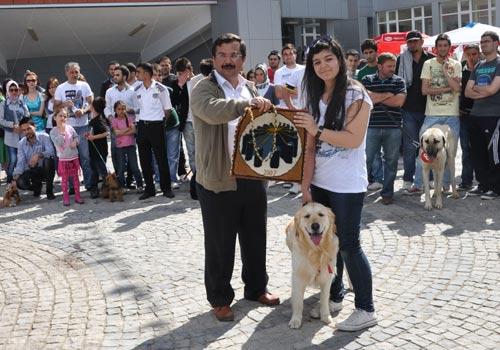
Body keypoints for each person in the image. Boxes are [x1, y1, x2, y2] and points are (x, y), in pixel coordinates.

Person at [191, 33, 280, 322]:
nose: (228, 60)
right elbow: (213, 113)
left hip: (252, 176)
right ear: (214, 59)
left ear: (242, 59)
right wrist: (246, 106)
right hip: (219, 178)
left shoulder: (250, 86)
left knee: (256, 237)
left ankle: (256, 288)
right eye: (222, 55)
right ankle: (219, 298)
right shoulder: (202, 88)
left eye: (234, 55)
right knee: (220, 243)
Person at [294, 35, 377, 331]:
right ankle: (336, 295)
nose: (323, 66)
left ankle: (366, 309)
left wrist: (317, 129)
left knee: (349, 247)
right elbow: (309, 146)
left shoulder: (357, 95)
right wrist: (305, 184)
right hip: (321, 183)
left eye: (329, 59)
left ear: (341, 60)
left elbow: (353, 140)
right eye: (316, 61)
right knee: (328, 245)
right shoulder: (315, 96)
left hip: (347, 185)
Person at [409, 33, 461, 194]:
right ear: (436, 48)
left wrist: (446, 72)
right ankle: (418, 184)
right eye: (440, 46)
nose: (443, 48)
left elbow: (458, 88)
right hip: (432, 114)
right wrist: (447, 88)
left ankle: (445, 184)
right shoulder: (429, 64)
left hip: (452, 114)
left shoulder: (456, 64)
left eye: (445, 45)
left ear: (449, 47)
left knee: (449, 152)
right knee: (422, 148)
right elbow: (425, 90)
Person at [362, 53, 406, 205]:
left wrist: (377, 97)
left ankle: (387, 193)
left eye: (393, 66)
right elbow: (366, 98)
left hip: (393, 128)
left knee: (391, 162)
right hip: (371, 127)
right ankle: (359, 190)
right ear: (379, 66)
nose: (392, 69)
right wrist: (388, 94)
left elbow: (399, 102)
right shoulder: (367, 79)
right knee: (365, 160)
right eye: (389, 66)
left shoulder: (399, 81)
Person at [397, 30, 435, 192]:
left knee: (429, 145)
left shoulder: (431, 59)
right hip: (408, 109)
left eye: (415, 41)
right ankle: (408, 178)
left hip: (429, 109)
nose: (412, 44)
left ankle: (430, 177)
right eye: (410, 41)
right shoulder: (401, 59)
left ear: (421, 42)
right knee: (409, 147)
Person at [464, 31, 500, 199]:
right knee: (476, 152)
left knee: (493, 153)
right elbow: (466, 92)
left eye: (486, 41)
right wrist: (483, 92)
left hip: (493, 115)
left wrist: (478, 90)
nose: (483, 44)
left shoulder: (499, 63)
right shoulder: (478, 65)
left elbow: (493, 90)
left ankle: (495, 187)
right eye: (481, 41)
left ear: (496, 43)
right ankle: (483, 185)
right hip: (475, 115)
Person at [133, 62, 175, 199]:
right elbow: (137, 109)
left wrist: (161, 122)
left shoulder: (161, 88)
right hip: (142, 126)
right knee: (144, 160)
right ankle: (149, 189)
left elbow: (167, 109)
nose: (136, 75)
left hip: (156, 125)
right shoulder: (137, 89)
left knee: (161, 158)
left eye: (138, 72)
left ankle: (166, 188)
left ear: (146, 73)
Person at [54, 61, 94, 191]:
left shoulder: (84, 85)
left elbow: (90, 103)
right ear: (66, 73)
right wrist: (64, 104)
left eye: (76, 71)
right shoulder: (61, 88)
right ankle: (72, 187)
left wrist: (83, 110)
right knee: (69, 157)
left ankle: (88, 184)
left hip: (83, 125)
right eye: (71, 72)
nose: (74, 74)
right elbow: (55, 106)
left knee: (85, 156)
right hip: (68, 128)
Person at [357, 39, 384, 190]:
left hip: (388, 114)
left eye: (371, 52)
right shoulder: (361, 73)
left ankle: (383, 179)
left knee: (388, 152)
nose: (368, 55)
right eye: (366, 53)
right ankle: (377, 178)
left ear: (376, 52)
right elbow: (363, 95)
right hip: (370, 115)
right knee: (373, 151)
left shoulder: (383, 67)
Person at [11, 117, 55, 199]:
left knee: (48, 160)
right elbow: (20, 162)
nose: (27, 132)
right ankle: (37, 187)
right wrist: (15, 178)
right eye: (24, 130)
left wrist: (39, 155)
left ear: (35, 127)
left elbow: (51, 152)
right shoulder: (21, 144)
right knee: (20, 182)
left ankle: (49, 191)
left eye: (29, 128)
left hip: (45, 169)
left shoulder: (44, 136)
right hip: (32, 170)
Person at [50, 107, 84, 206]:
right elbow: (59, 142)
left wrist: (75, 141)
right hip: (63, 159)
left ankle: (78, 196)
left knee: (75, 178)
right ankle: (65, 197)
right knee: (64, 180)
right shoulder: (53, 131)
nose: (63, 118)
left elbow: (77, 137)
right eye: (60, 116)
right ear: (55, 117)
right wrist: (62, 131)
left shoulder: (70, 128)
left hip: (73, 157)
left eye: (65, 116)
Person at [459, 44, 480, 191]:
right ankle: (466, 181)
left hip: (481, 115)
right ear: (465, 55)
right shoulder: (461, 72)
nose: (472, 57)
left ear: (479, 54)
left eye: (474, 54)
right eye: (469, 54)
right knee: (466, 149)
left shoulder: (485, 70)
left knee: (481, 149)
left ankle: (483, 181)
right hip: (464, 115)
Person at [0, 80, 29, 183]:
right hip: (10, 137)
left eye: (16, 90)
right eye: (11, 90)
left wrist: (21, 126)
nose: (14, 92)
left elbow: (27, 114)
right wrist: (12, 125)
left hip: (21, 135)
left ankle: (22, 181)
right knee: (13, 160)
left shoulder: (21, 102)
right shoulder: (3, 104)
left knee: (22, 159)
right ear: (7, 91)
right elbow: (1, 120)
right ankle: (10, 182)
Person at [111, 100, 143, 192]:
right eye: (119, 109)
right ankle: (122, 186)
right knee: (121, 168)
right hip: (120, 147)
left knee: (134, 166)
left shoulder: (130, 118)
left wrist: (122, 132)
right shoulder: (114, 120)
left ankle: (140, 185)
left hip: (131, 145)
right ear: (115, 110)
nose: (121, 111)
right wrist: (127, 129)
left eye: (123, 109)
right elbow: (116, 133)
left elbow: (133, 131)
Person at [86, 97, 109, 199]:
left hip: (100, 150)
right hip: (93, 150)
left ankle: (107, 188)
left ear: (93, 107)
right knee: (94, 170)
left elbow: (105, 133)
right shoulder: (93, 120)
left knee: (102, 170)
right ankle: (94, 188)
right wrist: (88, 135)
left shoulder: (99, 120)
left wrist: (93, 137)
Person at [274, 43, 305, 109]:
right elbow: (279, 94)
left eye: (291, 53)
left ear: (295, 55)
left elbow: (307, 92)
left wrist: (285, 87)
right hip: (285, 110)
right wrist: (297, 90)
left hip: (302, 108)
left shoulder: (304, 69)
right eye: (285, 54)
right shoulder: (278, 72)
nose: (288, 56)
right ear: (283, 57)